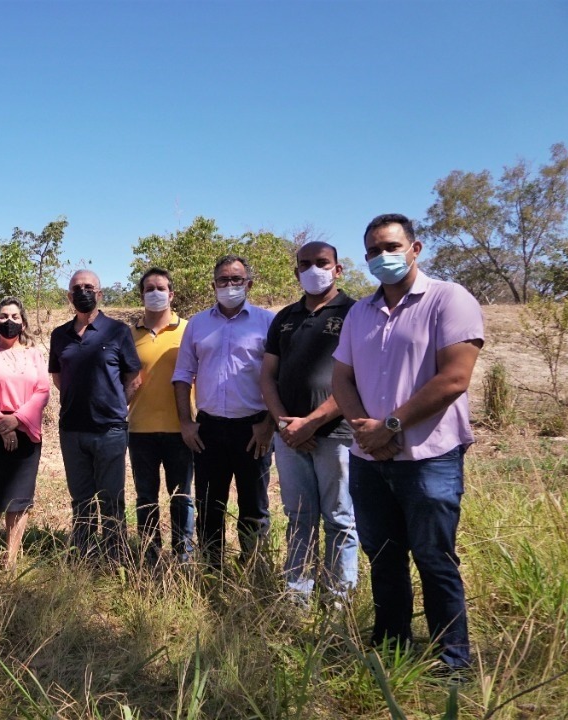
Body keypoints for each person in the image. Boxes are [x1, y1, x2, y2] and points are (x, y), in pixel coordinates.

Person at [333, 213, 483, 673]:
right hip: (369, 458)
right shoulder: (360, 312)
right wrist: (366, 429)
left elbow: (455, 377)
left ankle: (452, 658)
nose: (384, 257)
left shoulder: (448, 299)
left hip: (429, 457)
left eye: (392, 247)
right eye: (374, 251)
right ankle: (392, 644)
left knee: (434, 558)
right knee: (383, 556)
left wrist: (391, 426)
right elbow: (341, 378)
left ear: (415, 249)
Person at [259, 243, 359, 604]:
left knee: (339, 517)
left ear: (338, 269)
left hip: (336, 435)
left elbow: (357, 379)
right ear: (296, 271)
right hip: (289, 437)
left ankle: (338, 600)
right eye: (305, 264)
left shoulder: (356, 314)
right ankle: (297, 595)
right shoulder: (284, 318)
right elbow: (268, 376)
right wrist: (285, 424)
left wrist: (312, 423)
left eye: (322, 263)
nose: (313, 270)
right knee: (299, 517)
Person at [172, 255, 275, 570]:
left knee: (254, 505)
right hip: (209, 430)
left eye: (236, 280)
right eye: (223, 280)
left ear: (249, 284)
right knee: (208, 504)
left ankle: (254, 570)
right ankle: (211, 570)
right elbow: (182, 375)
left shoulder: (268, 323)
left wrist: (269, 425)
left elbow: (278, 378)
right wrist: (186, 423)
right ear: (213, 285)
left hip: (253, 430)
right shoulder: (198, 325)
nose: (229, 286)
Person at [50, 270, 141, 562]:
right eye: (77, 288)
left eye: (89, 287)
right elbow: (58, 378)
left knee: (112, 499)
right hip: (72, 430)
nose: (83, 291)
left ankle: (116, 558)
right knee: (81, 500)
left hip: (110, 431)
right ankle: (84, 556)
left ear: (100, 294)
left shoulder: (117, 331)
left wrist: (113, 406)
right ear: (69, 296)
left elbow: (134, 378)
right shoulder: (59, 335)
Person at [0, 297, 50, 572]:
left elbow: (42, 391)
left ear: (23, 323)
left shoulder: (34, 354)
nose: (9, 321)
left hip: (26, 432)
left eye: (15, 316)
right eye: (3, 316)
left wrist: (17, 420)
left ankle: (11, 560)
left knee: (19, 500)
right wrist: (2, 423)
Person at [127, 268, 195, 566]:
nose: (155, 293)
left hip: (181, 429)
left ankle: (184, 554)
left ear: (172, 294)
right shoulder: (129, 336)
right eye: (149, 288)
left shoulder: (189, 330)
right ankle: (150, 554)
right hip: (139, 429)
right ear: (141, 294)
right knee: (146, 497)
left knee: (182, 496)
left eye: (160, 287)